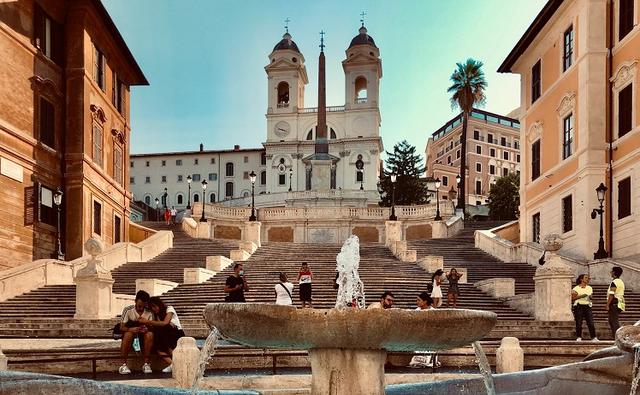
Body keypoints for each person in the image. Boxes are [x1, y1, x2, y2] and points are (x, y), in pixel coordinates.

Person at [139, 296, 185, 373]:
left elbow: (165, 323)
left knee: (163, 337)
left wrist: (147, 322)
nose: (154, 309)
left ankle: (175, 364)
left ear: (159, 304)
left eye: (154, 306)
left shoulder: (169, 309)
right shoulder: (156, 315)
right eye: (151, 308)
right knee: (158, 346)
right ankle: (173, 364)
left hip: (176, 333)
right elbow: (159, 325)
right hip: (165, 335)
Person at [118, 290, 154, 375]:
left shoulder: (149, 312)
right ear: (135, 301)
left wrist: (146, 327)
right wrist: (131, 329)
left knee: (150, 335)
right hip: (131, 335)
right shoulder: (128, 310)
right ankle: (123, 365)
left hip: (144, 336)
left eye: (143, 306)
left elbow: (153, 327)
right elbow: (121, 327)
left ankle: (146, 364)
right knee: (128, 334)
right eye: (139, 306)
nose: (140, 308)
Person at [572, 274, 597, 341]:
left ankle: (593, 337)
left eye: (588, 278)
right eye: (586, 278)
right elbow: (573, 298)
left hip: (587, 306)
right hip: (578, 306)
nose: (587, 279)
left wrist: (590, 297)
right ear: (581, 279)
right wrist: (582, 296)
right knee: (579, 322)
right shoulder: (576, 288)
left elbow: (591, 296)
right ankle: (579, 337)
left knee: (590, 322)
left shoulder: (590, 288)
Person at [607, 266, 626, 337]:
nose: (610, 272)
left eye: (611, 271)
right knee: (613, 320)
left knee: (613, 321)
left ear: (614, 272)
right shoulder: (621, 282)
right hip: (620, 302)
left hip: (614, 303)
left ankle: (617, 337)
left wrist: (607, 304)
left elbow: (611, 294)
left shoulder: (614, 282)